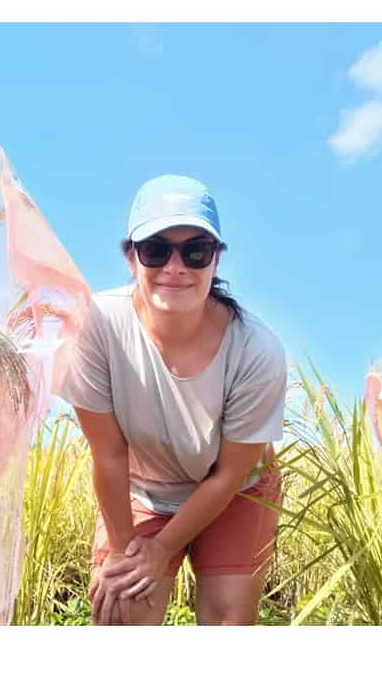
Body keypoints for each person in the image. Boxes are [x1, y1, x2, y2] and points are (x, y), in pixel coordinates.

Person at [56, 174, 287, 625]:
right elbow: (107, 452)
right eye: (156, 250)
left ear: (215, 261)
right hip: (144, 489)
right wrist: (127, 553)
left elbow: (226, 475)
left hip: (235, 490)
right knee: (122, 607)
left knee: (227, 624)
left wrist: (162, 548)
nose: (175, 267)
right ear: (131, 258)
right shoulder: (95, 324)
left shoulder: (258, 351)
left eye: (195, 252)